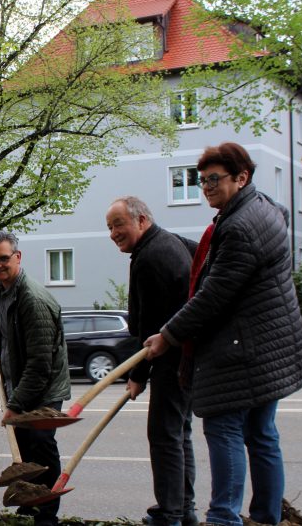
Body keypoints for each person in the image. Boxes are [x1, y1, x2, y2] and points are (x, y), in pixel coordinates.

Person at [145, 143, 302, 526]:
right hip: (273, 342)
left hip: (245, 348)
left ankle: (223, 519)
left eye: (214, 180)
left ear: (241, 177)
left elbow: (213, 295)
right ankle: (266, 517)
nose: (205, 188)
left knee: (223, 427)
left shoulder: (240, 227)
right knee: (261, 432)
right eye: (201, 181)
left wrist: (167, 334)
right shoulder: (263, 208)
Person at [105, 196, 197, 526]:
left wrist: (138, 375)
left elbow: (146, 326)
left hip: (172, 358)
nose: (114, 233)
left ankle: (171, 513)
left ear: (142, 220)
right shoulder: (171, 242)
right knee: (178, 433)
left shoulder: (149, 257)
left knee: (163, 436)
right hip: (186, 354)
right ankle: (184, 508)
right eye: (110, 227)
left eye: (119, 224)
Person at [0, 230, 71, 526]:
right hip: (18, 380)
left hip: (42, 387)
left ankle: (47, 515)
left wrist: (17, 405)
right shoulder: (0, 289)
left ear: (17, 257)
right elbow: (1, 329)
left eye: (3, 259)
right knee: (22, 446)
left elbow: (40, 364)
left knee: (40, 444)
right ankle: (30, 503)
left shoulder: (32, 300)